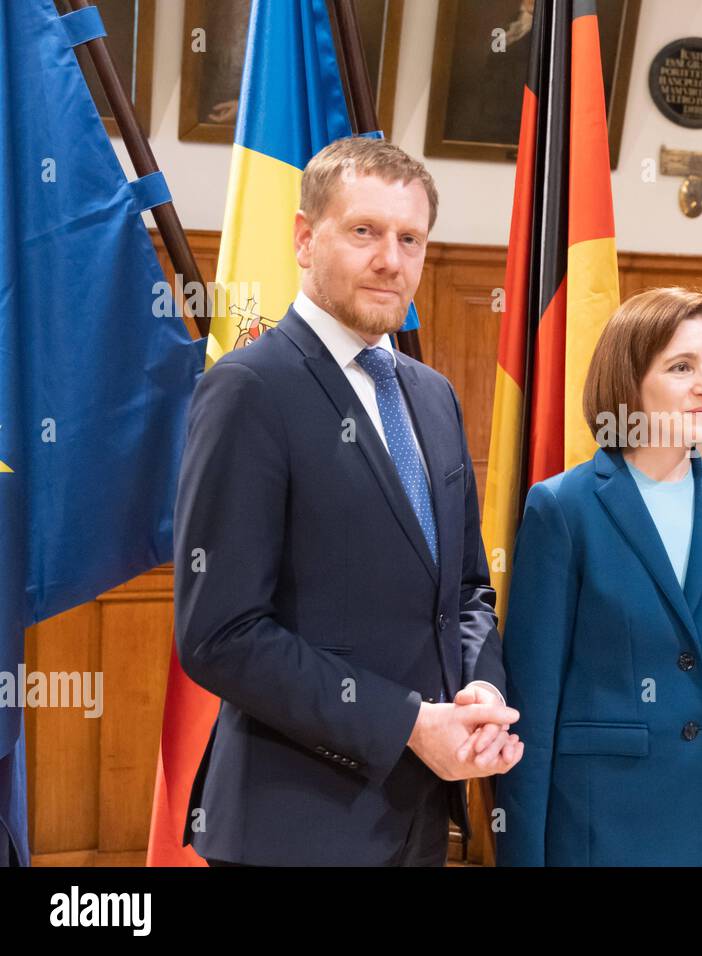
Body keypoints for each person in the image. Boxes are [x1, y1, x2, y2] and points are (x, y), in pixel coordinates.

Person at [174, 137, 522, 866]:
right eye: (364, 231)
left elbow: (463, 593)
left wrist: (479, 688)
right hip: (292, 827)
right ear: (305, 238)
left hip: (418, 816)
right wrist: (403, 724)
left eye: (410, 239)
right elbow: (221, 634)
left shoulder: (432, 396)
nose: (391, 260)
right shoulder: (251, 389)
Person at [495, 287, 702, 866]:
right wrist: (522, 853)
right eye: (681, 367)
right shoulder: (563, 507)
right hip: (605, 823)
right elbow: (534, 695)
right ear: (629, 380)